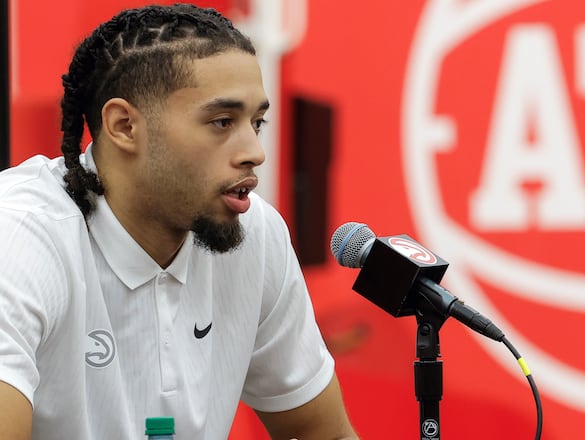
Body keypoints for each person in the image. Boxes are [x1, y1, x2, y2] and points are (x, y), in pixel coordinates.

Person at [0, 3, 358, 439]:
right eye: (222, 121)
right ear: (124, 125)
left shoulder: (256, 233)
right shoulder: (18, 236)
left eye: (256, 122)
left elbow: (323, 433)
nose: (254, 152)